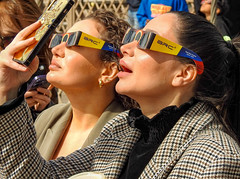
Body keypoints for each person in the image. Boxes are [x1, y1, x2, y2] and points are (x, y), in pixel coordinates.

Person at [0, 11, 240, 178]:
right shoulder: (122, 131)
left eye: (146, 40)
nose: (125, 48)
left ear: (184, 73)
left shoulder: (215, 156)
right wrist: (7, 89)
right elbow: (38, 175)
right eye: (132, 37)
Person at [34, 10, 137, 160]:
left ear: (108, 71)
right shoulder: (48, 118)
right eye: (59, 40)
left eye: (74, 42)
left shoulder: (127, 134)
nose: (55, 50)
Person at [0, 0, 57, 119]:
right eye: (10, 39)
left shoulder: (37, 65)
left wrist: (43, 110)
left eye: (30, 38)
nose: (21, 46)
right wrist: (9, 101)